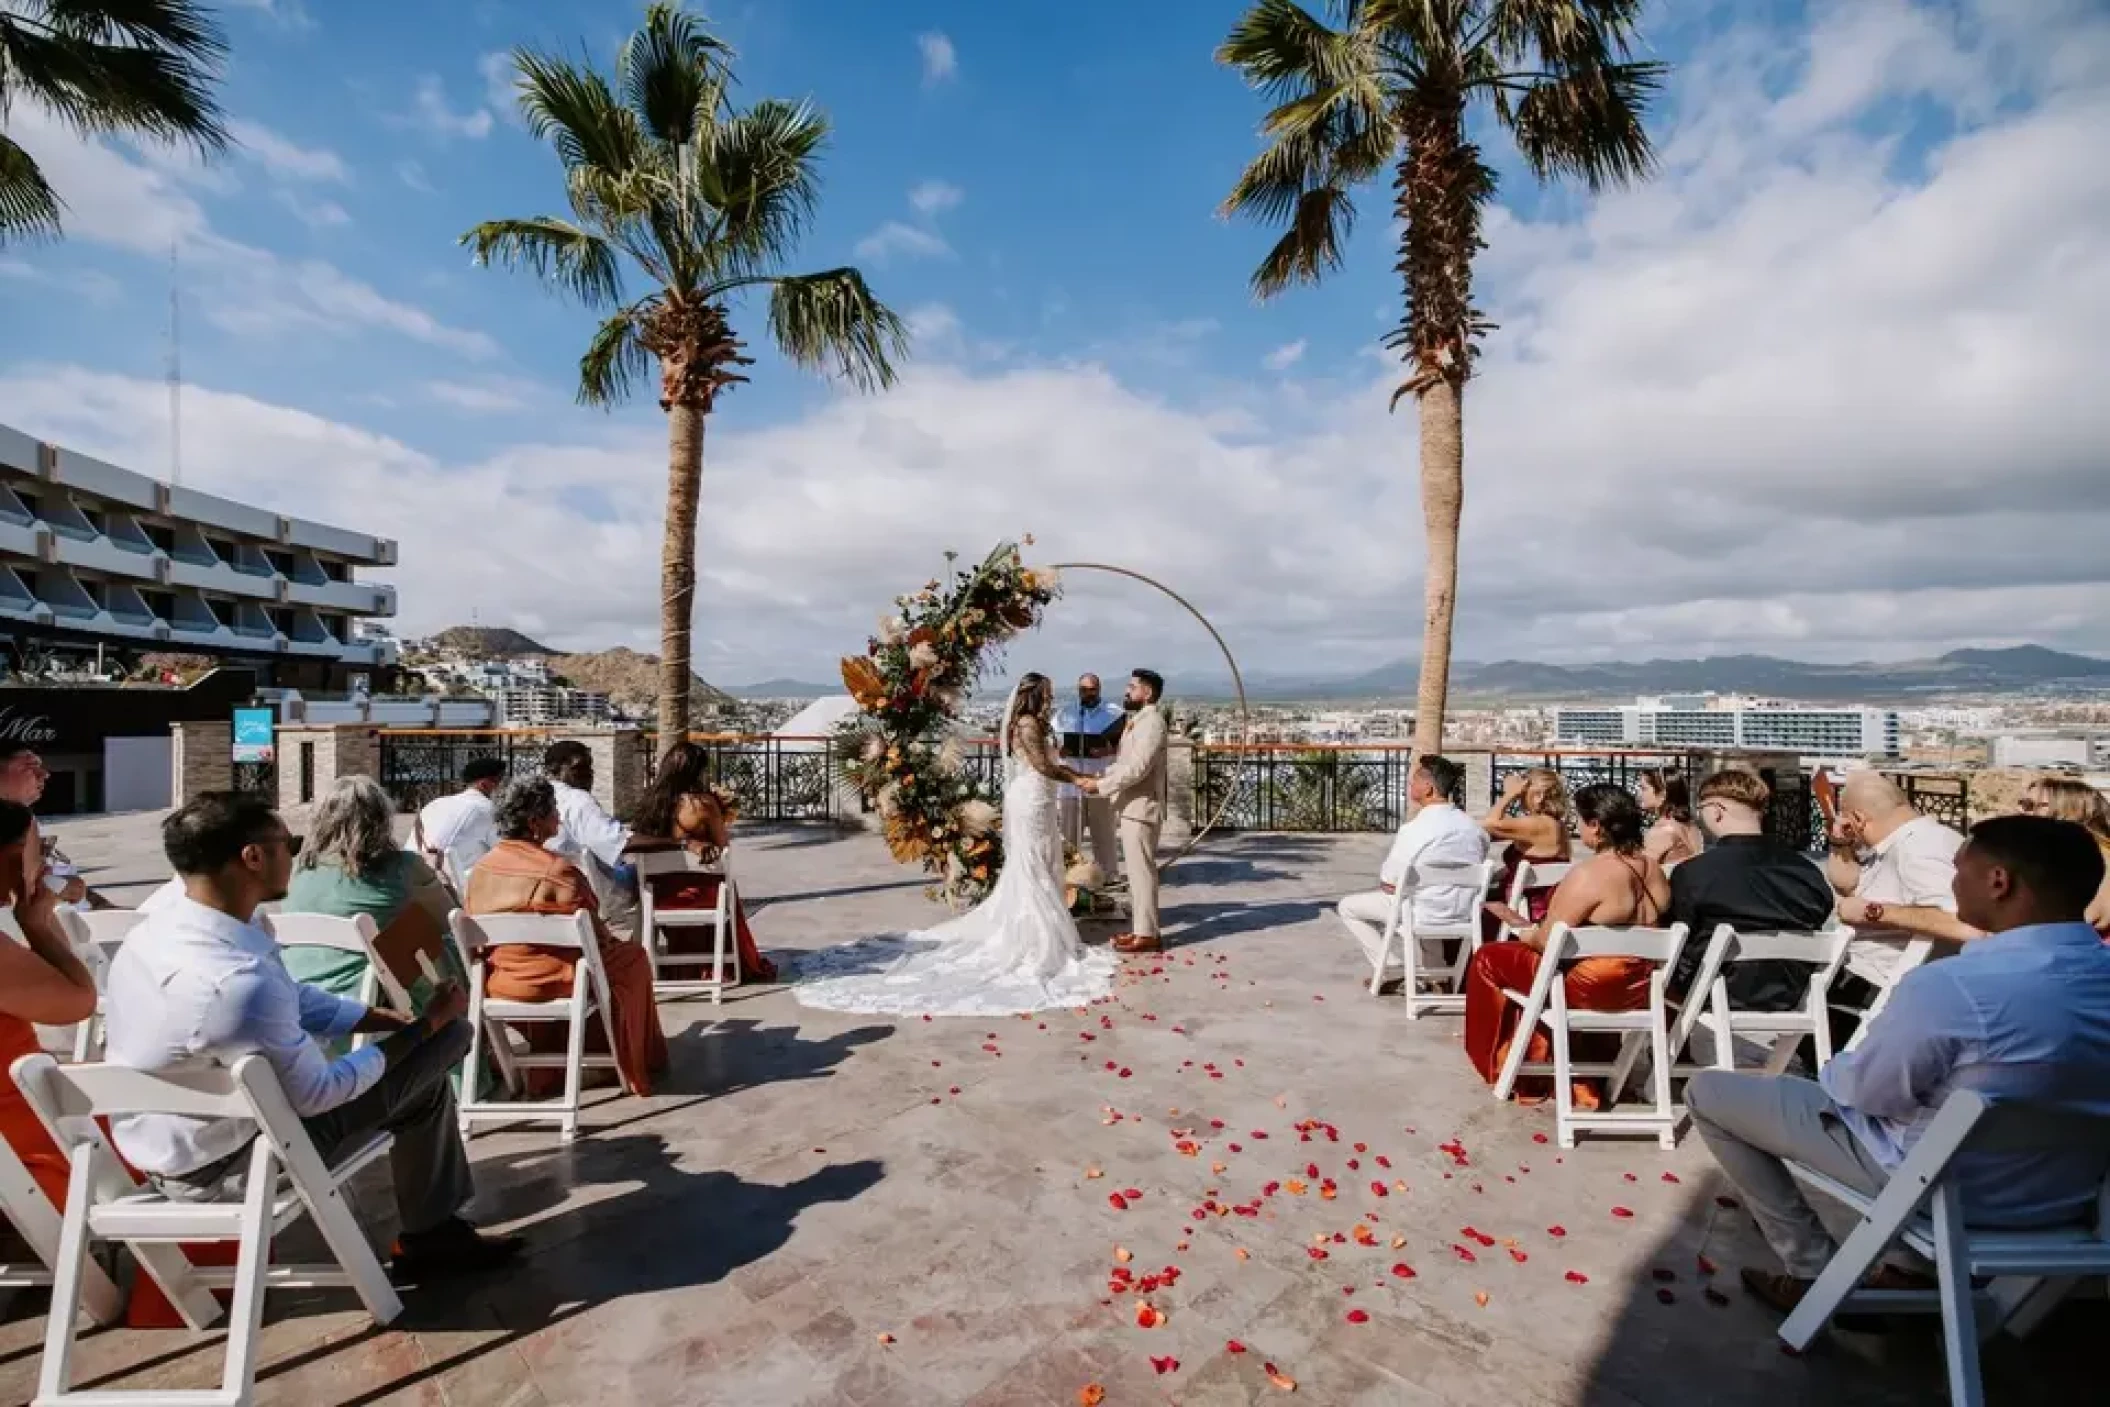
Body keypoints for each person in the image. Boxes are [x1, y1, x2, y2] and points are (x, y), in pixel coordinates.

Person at [1688, 816, 2110, 1316]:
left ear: (1999, 881)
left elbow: (1866, 1095)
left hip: (1944, 1191)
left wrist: (1840, 1069)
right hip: (2063, 1200)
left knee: (1710, 1095)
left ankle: (1813, 1273)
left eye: (1960, 870)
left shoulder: (1955, 984)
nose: (1953, 884)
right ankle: (1913, 1270)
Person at [103, 793, 517, 1279]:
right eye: (289, 844)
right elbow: (320, 1094)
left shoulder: (162, 931)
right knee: (450, 1040)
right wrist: (427, 1027)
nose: (295, 856)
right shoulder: (235, 982)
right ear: (252, 857)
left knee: (421, 1083)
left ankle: (435, 1234)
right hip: (237, 1165)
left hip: (166, 1146)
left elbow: (292, 996)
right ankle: (432, 1238)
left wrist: (377, 1019)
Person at [795, 672, 1118, 1016]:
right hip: (1032, 799)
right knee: (1033, 864)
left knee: (1042, 861)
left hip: (1039, 799)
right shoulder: (1026, 724)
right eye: (1048, 693)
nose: (1052, 698)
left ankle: (1045, 931)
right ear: (1035, 694)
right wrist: (1078, 777)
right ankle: (1036, 937)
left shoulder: (1031, 723)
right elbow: (1041, 765)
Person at [1464, 783, 1672, 1102]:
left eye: (1580, 820)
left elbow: (1547, 942)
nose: (1575, 827)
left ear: (1597, 826)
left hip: (1589, 987)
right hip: (1640, 987)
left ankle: (1508, 1066)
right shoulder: (1654, 870)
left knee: (1489, 958)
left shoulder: (1590, 875)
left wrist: (1522, 928)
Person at [463, 778, 667, 1096]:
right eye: (553, 811)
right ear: (534, 823)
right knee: (633, 959)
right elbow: (597, 937)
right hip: (558, 982)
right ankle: (633, 1059)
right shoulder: (558, 871)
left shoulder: (480, 871)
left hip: (500, 983)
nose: (559, 818)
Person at [0, 799, 100, 1224]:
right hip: (23, 1157)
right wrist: (37, 923)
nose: (44, 866)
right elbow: (78, 1002)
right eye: (42, 851)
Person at [1665, 770, 1838, 1013]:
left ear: (1716, 810)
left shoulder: (1694, 873)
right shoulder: (1807, 873)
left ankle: (1669, 1050)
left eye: (1702, 808)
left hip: (1714, 993)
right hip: (1791, 993)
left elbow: (1678, 932)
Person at [283, 775, 461, 1009]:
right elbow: (449, 921)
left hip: (298, 1002)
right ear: (380, 819)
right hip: (370, 1010)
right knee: (444, 943)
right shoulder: (403, 867)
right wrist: (439, 880)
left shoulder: (299, 870)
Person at [1824, 772, 1974, 1017]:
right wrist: (1840, 842)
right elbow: (1848, 886)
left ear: (1858, 819)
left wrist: (1873, 912)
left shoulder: (1920, 848)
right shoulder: (1901, 842)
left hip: (1880, 986)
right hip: (1868, 978)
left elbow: (1963, 924)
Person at [625, 740, 777, 983]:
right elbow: (723, 847)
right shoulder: (703, 805)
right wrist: (696, 836)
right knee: (725, 885)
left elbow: (632, 841)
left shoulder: (651, 804)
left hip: (662, 893)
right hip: (698, 894)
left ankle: (681, 964)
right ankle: (724, 962)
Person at [1335, 755, 1488, 987]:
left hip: (1422, 912)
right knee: (1428, 896)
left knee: (1348, 907)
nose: (1409, 786)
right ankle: (1438, 977)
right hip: (1463, 912)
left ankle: (1390, 968)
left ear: (1428, 788)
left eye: (1413, 781)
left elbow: (1390, 880)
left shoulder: (1414, 830)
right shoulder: (1473, 828)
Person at [1082, 669, 1172, 955]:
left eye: (1132, 687)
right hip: (1131, 807)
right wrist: (1100, 779)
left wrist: (1102, 786)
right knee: (1135, 873)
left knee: (1142, 872)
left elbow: (1138, 768)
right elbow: (1125, 763)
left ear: (1147, 693)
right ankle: (1141, 929)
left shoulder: (1153, 723)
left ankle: (1147, 935)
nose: (1126, 691)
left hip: (1142, 808)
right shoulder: (1139, 721)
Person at [542, 740, 638, 935]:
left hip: (548, 894)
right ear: (555, 769)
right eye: (580, 768)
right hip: (586, 900)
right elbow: (618, 843)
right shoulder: (577, 800)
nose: (589, 774)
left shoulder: (538, 796)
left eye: (590, 767)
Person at [1479, 768, 1572, 944]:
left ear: (1538, 796)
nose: (1521, 797)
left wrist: (1509, 794)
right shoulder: (1555, 825)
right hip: (1535, 904)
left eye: (1524, 793)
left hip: (1521, 911)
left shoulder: (1537, 824)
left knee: (1469, 907)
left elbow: (1490, 824)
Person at [1052, 673, 1124, 885]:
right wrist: (1061, 750)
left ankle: (1108, 876)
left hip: (1099, 781)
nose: (1088, 693)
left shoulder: (1114, 714)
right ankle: (1070, 877)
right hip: (1071, 784)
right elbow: (1053, 742)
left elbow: (1124, 747)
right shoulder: (1065, 713)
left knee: (1104, 834)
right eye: (1084, 689)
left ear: (1099, 689)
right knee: (1069, 834)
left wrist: (1107, 751)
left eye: (1092, 689)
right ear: (1078, 690)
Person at [0, 740, 89, 908]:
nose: (44, 774)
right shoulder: (21, 826)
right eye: (29, 766)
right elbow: (23, 894)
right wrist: (57, 889)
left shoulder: (25, 822)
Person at [2016, 777, 2110, 932]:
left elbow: (2089, 916)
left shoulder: (2094, 856)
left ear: (2074, 811)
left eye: (2031, 806)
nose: (2021, 811)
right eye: (2023, 803)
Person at [410, 757, 505, 890]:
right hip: (455, 891)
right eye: (502, 781)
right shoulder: (488, 809)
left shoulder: (435, 804)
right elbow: (508, 853)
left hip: (411, 885)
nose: (505, 788)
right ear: (484, 784)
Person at [1640, 769, 1704, 867]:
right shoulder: (1689, 824)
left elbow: (1644, 871)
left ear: (1663, 795)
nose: (1640, 794)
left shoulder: (1661, 831)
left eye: (1644, 788)